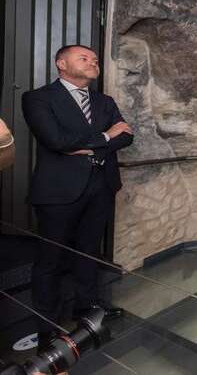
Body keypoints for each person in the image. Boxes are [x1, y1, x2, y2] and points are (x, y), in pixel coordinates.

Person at [21, 44, 134, 350]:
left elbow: (127, 135)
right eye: (84, 57)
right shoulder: (38, 98)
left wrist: (89, 145)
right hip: (59, 191)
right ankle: (48, 324)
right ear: (61, 63)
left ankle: (87, 308)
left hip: (101, 187)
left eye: (95, 59)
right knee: (50, 260)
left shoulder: (104, 101)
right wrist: (106, 136)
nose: (93, 61)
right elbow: (55, 140)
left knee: (88, 252)